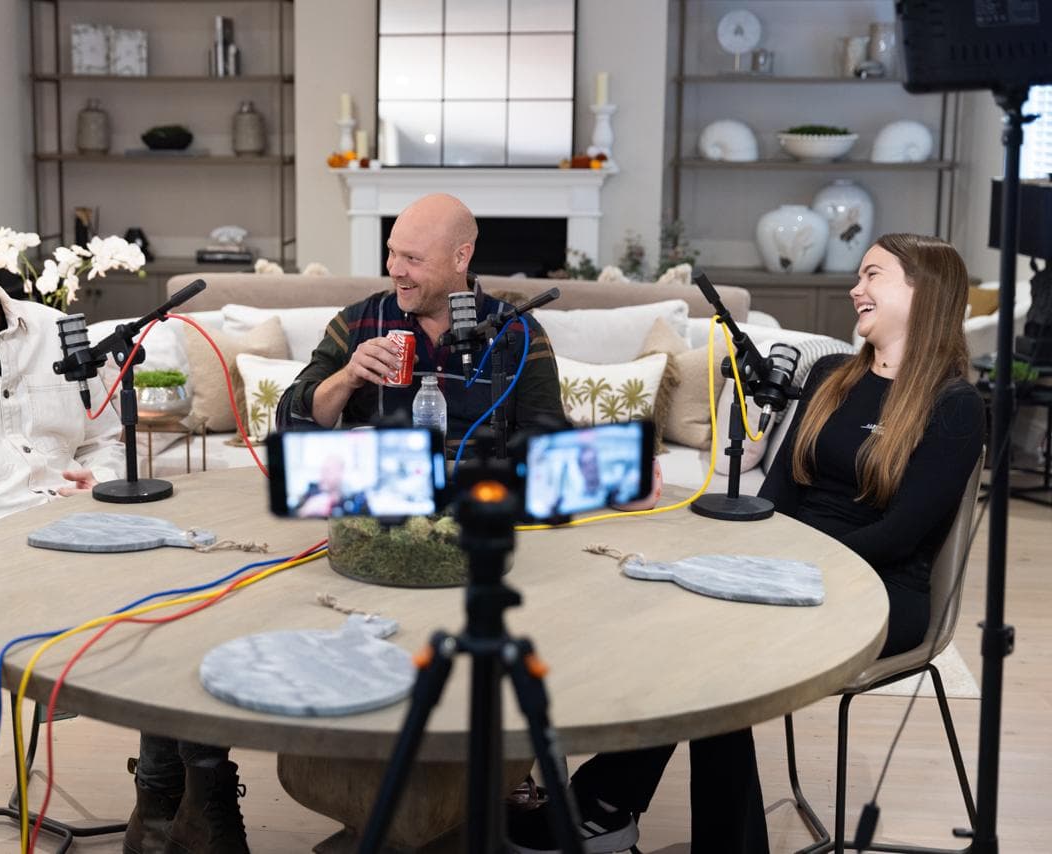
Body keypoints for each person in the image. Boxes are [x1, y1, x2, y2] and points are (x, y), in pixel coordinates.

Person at [507, 233, 985, 854]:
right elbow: (779, 495)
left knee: (714, 659)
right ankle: (611, 807)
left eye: (873, 275)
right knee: (680, 623)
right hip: (790, 565)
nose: (855, 289)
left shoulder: (954, 406)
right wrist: (742, 562)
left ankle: (601, 804)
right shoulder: (830, 377)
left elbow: (899, 536)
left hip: (879, 590)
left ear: (926, 293)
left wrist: (786, 569)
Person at [0, 178, 249, 854]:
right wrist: (8, 532)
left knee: (204, 586)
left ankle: (176, 799)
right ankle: (171, 800)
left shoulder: (52, 330)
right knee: (159, 604)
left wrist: (104, 482)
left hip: (83, 532)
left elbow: (106, 442)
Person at [275, 193, 568, 455]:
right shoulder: (357, 322)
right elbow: (290, 422)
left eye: (413, 258)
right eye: (392, 251)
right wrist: (348, 377)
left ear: (460, 257)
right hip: (385, 499)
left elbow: (549, 447)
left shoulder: (518, 331)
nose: (394, 269)